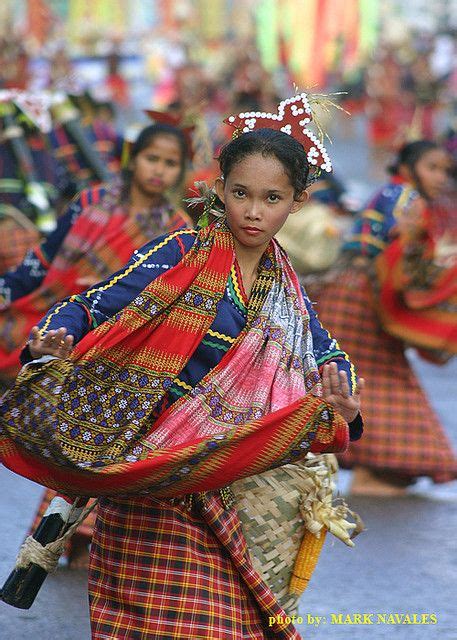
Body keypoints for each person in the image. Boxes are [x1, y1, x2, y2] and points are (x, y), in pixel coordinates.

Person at [1, 95, 363, 639]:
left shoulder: (288, 294)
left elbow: (327, 355)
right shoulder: (178, 250)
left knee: (218, 624)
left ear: (297, 203)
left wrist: (346, 403)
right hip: (148, 469)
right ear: (219, 190)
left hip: (231, 482)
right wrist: (54, 338)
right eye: (240, 193)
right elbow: (94, 303)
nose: (253, 211)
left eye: (272, 198)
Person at [0, 120, 192, 567]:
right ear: (132, 159)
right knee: (77, 445)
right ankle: (63, 544)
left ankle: (84, 545)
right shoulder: (88, 203)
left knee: (105, 448)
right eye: (151, 158)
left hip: (127, 348)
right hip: (69, 328)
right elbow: (42, 262)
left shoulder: (179, 232)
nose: (158, 170)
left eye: (170, 163)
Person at [313, 140, 457, 496]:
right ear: (408, 167)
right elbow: (405, 256)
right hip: (363, 299)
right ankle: (367, 476)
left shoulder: (395, 194)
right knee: (376, 382)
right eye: (432, 168)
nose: (440, 177)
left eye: (445, 171)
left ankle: (364, 474)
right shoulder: (406, 199)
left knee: (362, 382)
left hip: (351, 293)